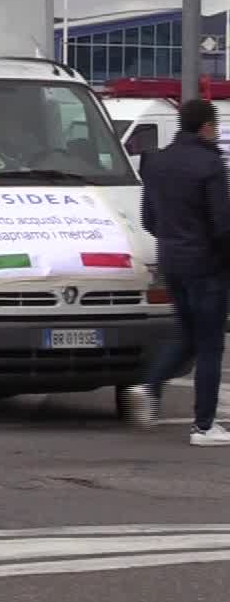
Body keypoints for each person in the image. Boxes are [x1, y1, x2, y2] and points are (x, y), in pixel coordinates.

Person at [122, 97, 230, 444]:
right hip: (207, 265)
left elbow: (149, 220)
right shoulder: (211, 166)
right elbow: (222, 225)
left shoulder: (156, 164)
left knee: (186, 334)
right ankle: (204, 425)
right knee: (211, 344)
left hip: (171, 261)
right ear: (207, 126)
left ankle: (149, 386)